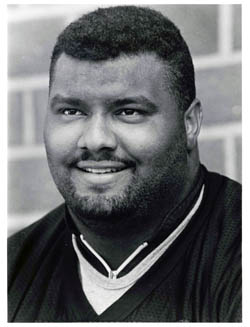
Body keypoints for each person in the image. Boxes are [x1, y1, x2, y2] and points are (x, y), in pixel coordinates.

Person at [8, 5, 241, 322]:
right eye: (72, 111)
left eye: (128, 111)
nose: (95, 139)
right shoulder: (11, 270)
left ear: (190, 124)